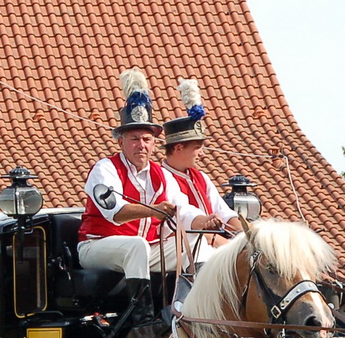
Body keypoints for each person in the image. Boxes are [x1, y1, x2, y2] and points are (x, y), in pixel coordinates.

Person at [75, 69, 208, 299]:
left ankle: (192, 309)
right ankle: (142, 319)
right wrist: (155, 210)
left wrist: (203, 221)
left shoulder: (160, 173)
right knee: (136, 245)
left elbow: (181, 209)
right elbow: (115, 213)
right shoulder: (105, 169)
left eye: (147, 140)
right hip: (96, 246)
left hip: (143, 249)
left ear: (154, 143)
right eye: (134, 139)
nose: (141, 145)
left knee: (195, 242)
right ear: (121, 141)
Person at [158, 78, 241, 265]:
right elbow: (183, 221)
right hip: (184, 253)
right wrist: (228, 246)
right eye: (197, 147)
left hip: (214, 246)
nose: (202, 154)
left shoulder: (200, 177)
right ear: (178, 148)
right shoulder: (161, 178)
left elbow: (225, 213)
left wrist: (251, 235)